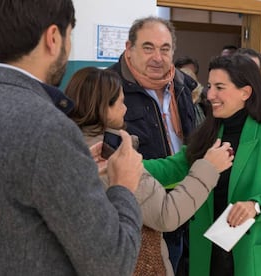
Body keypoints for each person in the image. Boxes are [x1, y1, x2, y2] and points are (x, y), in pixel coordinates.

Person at [0, 1, 144, 275]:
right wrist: (123, 186)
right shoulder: (48, 128)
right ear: (53, 38)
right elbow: (111, 262)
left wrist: (72, 166)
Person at [65, 66, 234, 276]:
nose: (125, 109)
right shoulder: (111, 157)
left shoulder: (70, 145)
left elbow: (154, 171)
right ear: (104, 108)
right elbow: (166, 214)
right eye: (120, 102)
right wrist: (208, 168)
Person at [144, 54, 261, 276]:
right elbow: (171, 168)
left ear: (245, 92)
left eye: (219, 87)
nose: (209, 95)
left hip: (251, 254)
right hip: (208, 250)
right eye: (209, 86)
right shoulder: (207, 135)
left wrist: (255, 206)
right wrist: (123, 166)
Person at [108, 16, 197, 273]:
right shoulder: (108, 88)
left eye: (165, 49)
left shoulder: (182, 85)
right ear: (129, 48)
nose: (158, 57)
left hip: (185, 206)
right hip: (140, 216)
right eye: (148, 48)